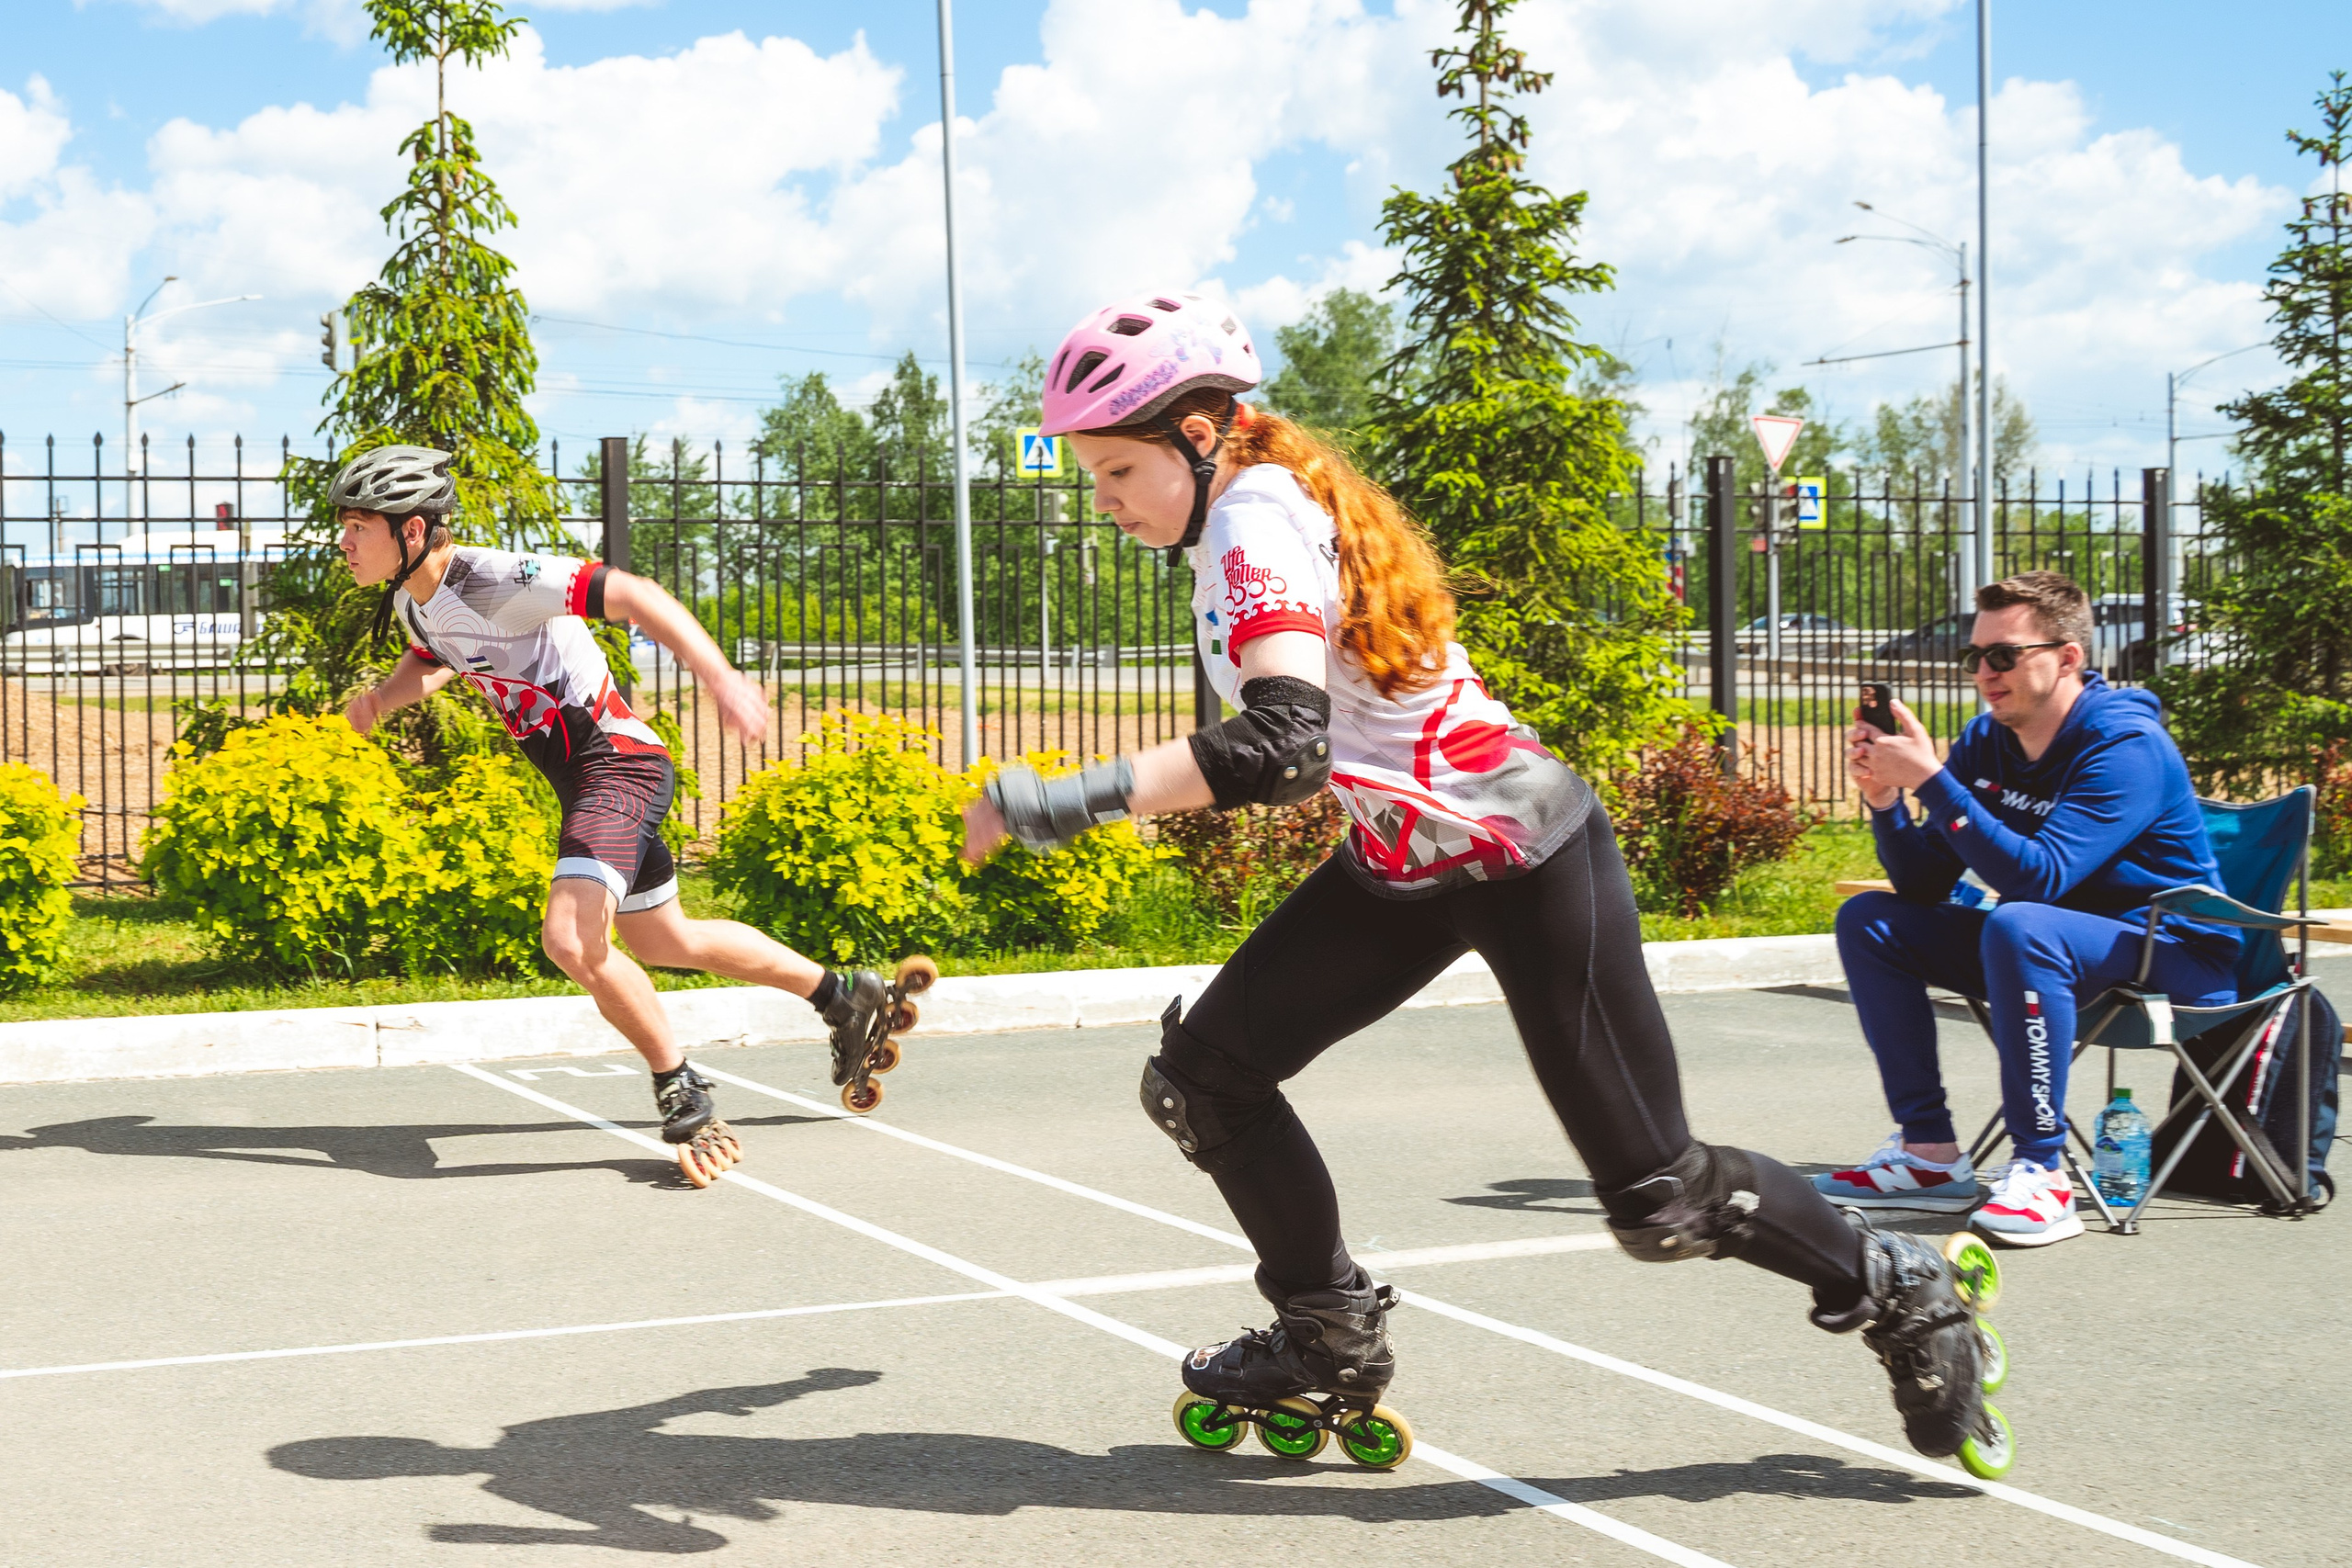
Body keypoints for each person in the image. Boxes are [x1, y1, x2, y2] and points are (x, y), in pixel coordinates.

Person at [959, 294, 2003, 1469]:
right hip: (1408, 862)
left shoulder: (1252, 516)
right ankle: (1325, 1334)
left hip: (1524, 856)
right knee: (1207, 1079)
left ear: (1199, 438)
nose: (1101, 501)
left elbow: (1282, 748)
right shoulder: (1238, 515)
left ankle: (1899, 1282)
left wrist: (1060, 799)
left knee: (1661, 1198)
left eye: (1113, 470)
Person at [330, 446, 908, 1179]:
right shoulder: (416, 596)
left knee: (571, 938)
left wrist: (721, 680)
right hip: (586, 783)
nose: (344, 542)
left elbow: (634, 594)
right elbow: (436, 653)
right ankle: (843, 996)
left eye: (357, 526)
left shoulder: (492, 577)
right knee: (665, 938)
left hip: (618, 766)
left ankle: (684, 1094)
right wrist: (384, 697)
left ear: (411, 530)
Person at [1829, 571, 2240, 1247]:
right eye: (1974, 657)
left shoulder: (2125, 744)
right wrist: (1885, 801)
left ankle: (2042, 1172)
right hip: (2056, 944)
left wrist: (1934, 780)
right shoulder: (1987, 741)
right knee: (1871, 922)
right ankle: (1929, 1155)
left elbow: (2040, 878)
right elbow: (1925, 884)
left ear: (2068, 656)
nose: (1984, 673)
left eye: (2004, 655)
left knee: (2023, 922)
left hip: (2176, 952)